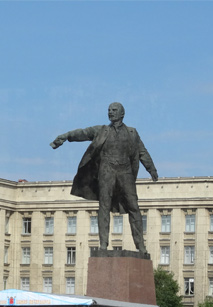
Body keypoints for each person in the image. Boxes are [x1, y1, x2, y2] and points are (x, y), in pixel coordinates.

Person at [50, 102, 159, 253]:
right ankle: (103, 244)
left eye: (114, 110)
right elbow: (83, 133)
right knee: (104, 207)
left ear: (122, 113)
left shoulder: (132, 133)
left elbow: (142, 152)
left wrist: (151, 169)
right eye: (109, 110)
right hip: (106, 171)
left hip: (125, 172)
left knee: (134, 207)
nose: (110, 112)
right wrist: (66, 136)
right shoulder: (101, 130)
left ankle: (140, 246)